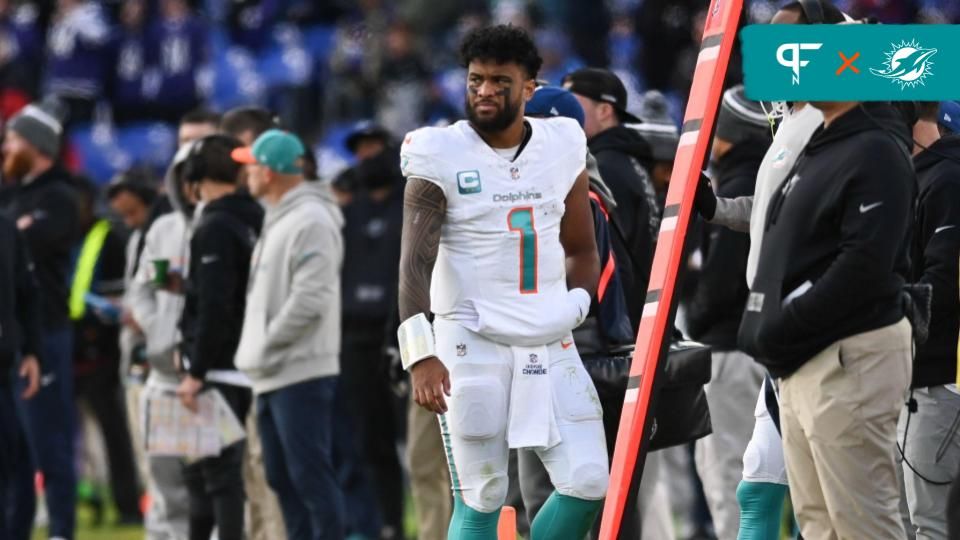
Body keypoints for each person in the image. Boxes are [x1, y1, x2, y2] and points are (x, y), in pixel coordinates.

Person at [398, 25, 607, 538]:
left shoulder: (561, 142)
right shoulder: (440, 151)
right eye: (475, 80)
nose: (485, 91)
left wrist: (578, 303)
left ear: (530, 88)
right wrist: (420, 354)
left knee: (588, 481)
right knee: (484, 493)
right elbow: (413, 265)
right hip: (472, 338)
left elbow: (581, 245)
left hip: (550, 337)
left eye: (499, 80)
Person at [738, 90, 914, 539]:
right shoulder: (813, 141)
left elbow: (864, 266)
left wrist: (784, 325)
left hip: (843, 350)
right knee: (817, 523)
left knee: (862, 523)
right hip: (800, 355)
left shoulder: (876, 143)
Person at [233, 129, 346, 539]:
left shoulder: (311, 218)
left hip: (300, 369)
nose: (246, 173)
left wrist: (265, 346)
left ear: (271, 171)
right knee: (282, 478)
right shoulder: (280, 217)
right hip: (273, 370)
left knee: (310, 476)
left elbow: (310, 299)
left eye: (252, 165)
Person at [126, 111, 218, 540]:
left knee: (213, 492)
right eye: (182, 174)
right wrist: (158, 327)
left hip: (209, 378)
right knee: (166, 490)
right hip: (164, 376)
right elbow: (142, 288)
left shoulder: (227, 224)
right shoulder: (162, 229)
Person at [684, 85, 771, 540]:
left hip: (728, 350)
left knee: (730, 476)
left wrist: (694, 321)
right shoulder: (771, 174)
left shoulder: (738, 183)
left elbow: (722, 279)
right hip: (758, 345)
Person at [176, 134, 263, 540]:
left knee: (217, 480)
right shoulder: (259, 215)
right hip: (255, 362)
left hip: (222, 371)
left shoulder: (213, 226)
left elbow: (215, 306)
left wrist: (196, 370)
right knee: (239, 478)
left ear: (194, 178)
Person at [0, 98, 80, 540]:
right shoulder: (13, 198)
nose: (5, 147)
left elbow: (25, 249)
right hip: (13, 338)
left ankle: (62, 531)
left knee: (48, 440)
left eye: (13, 138)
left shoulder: (61, 196)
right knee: (15, 449)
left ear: (36, 144)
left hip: (45, 332)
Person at [218, 105, 287, 540]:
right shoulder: (252, 211)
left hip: (283, 362)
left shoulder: (286, 212)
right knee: (254, 468)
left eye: (242, 153)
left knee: (275, 470)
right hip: (253, 359)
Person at [338, 122, 405, 539]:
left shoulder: (410, 201)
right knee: (369, 440)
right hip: (355, 336)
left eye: (374, 147)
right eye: (359, 149)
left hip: (404, 334)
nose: (366, 156)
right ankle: (388, 525)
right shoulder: (349, 210)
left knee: (422, 447)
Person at [898, 100, 960, 539]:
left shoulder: (946, 180)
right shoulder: (923, 176)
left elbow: (939, 281)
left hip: (937, 381)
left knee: (928, 525)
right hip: (918, 378)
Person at [69, 177, 142, 524]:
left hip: (102, 348)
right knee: (76, 436)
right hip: (72, 346)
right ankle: (90, 500)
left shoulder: (109, 236)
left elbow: (120, 289)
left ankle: (127, 504)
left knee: (113, 431)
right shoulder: (67, 236)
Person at [563, 67, 659, 328]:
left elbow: (616, 259)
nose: (560, 112)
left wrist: (615, 329)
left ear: (605, 111)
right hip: (641, 317)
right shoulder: (628, 161)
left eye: (571, 101)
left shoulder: (604, 167)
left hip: (624, 326)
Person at [0, 213, 41, 539]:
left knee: (15, 462)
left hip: (4, 369)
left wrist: (31, 351)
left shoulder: (6, 227)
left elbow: (27, 293)